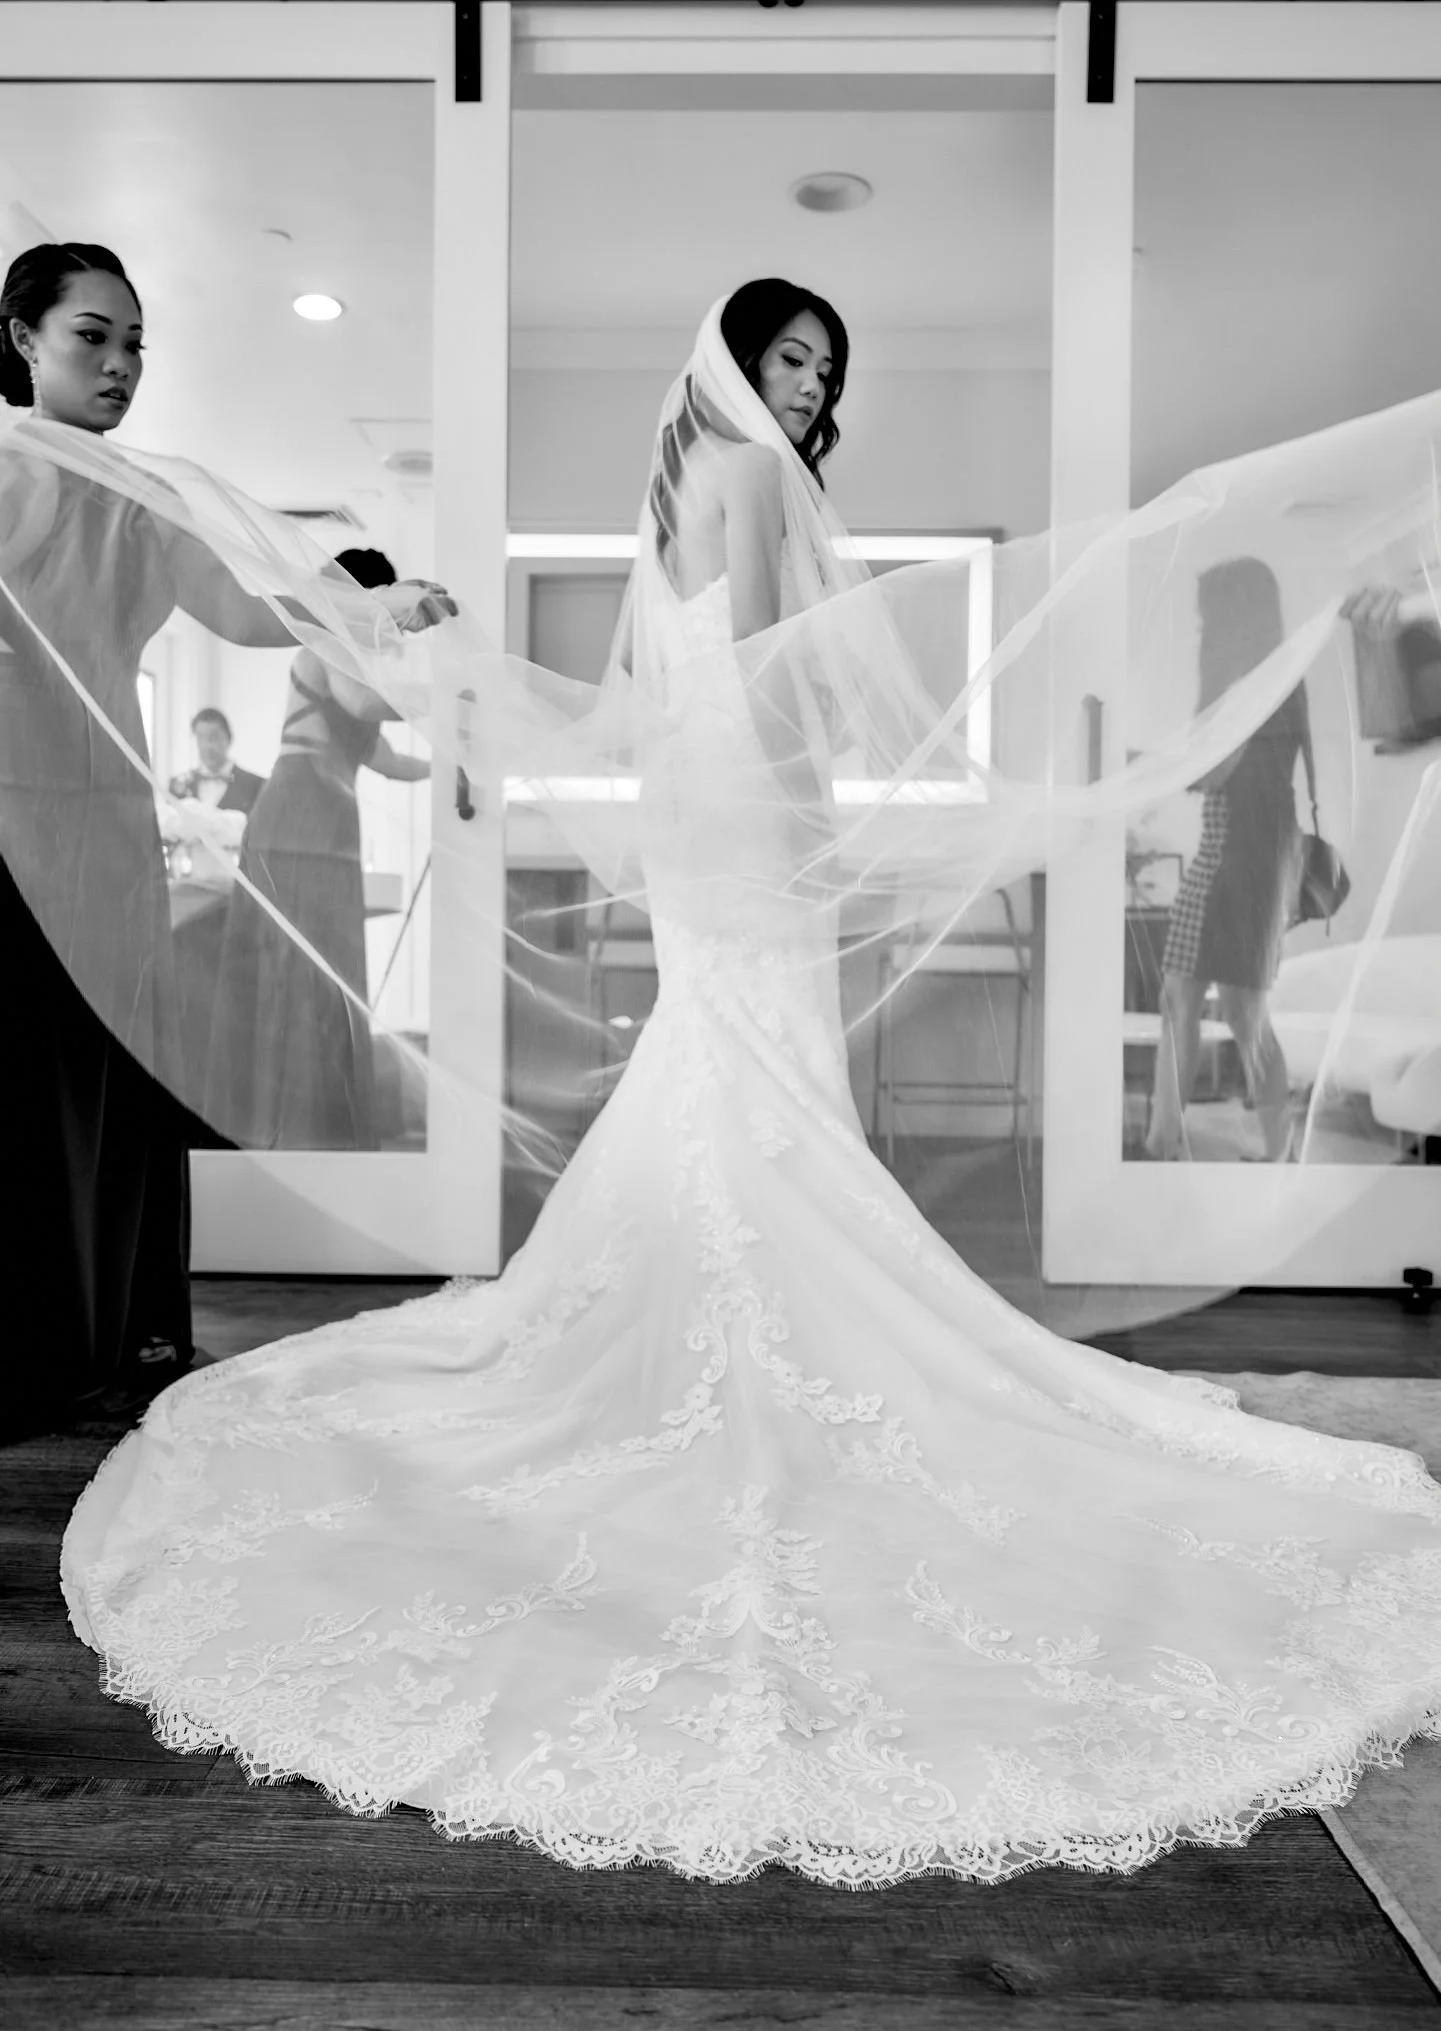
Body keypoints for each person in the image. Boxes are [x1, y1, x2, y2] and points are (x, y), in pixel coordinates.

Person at [59, 282, 1441, 1887]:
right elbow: (806, 669)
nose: (806, 390)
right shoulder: (752, 477)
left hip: (706, 807)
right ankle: (749, 1330)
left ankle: (711, 1316)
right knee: (761, 1077)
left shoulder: (674, 490)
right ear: (739, 359)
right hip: (753, 807)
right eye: (792, 358)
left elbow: (708, 683)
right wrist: (871, 804)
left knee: (728, 1074)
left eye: (824, 370)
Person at [0, 242, 453, 1432]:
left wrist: (374, 605)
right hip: (10, 833)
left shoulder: (143, 498)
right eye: (92, 336)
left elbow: (248, 606)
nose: (120, 363)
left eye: (135, 341)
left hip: (108, 829)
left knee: (121, 1088)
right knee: (26, 1100)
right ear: (22, 340)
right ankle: (31, 1355)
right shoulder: (1, 472)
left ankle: (126, 1338)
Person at [206, 547, 431, 1150]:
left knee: (328, 974)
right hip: (297, 819)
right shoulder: (326, 645)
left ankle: (322, 1124)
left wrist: (451, 766)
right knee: (296, 968)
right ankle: (287, 1128)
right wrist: (445, 696)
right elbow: (361, 706)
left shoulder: (355, 663)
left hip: (330, 826)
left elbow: (387, 760)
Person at [1146, 559, 1312, 1163]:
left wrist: (1152, 764)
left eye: (1205, 618)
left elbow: (1212, 771)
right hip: (1240, 857)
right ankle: (1170, 1139)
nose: (1200, 629)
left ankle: (1269, 1148)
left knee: (1235, 1011)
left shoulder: (1252, 682)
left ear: (1231, 617)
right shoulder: (1269, 677)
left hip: (1242, 863)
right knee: (1190, 999)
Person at [169, 707, 263, 814]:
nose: (208, 746)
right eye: (201, 737)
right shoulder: (178, 784)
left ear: (229, 739)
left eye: (214, 737)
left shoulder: (255, 785)